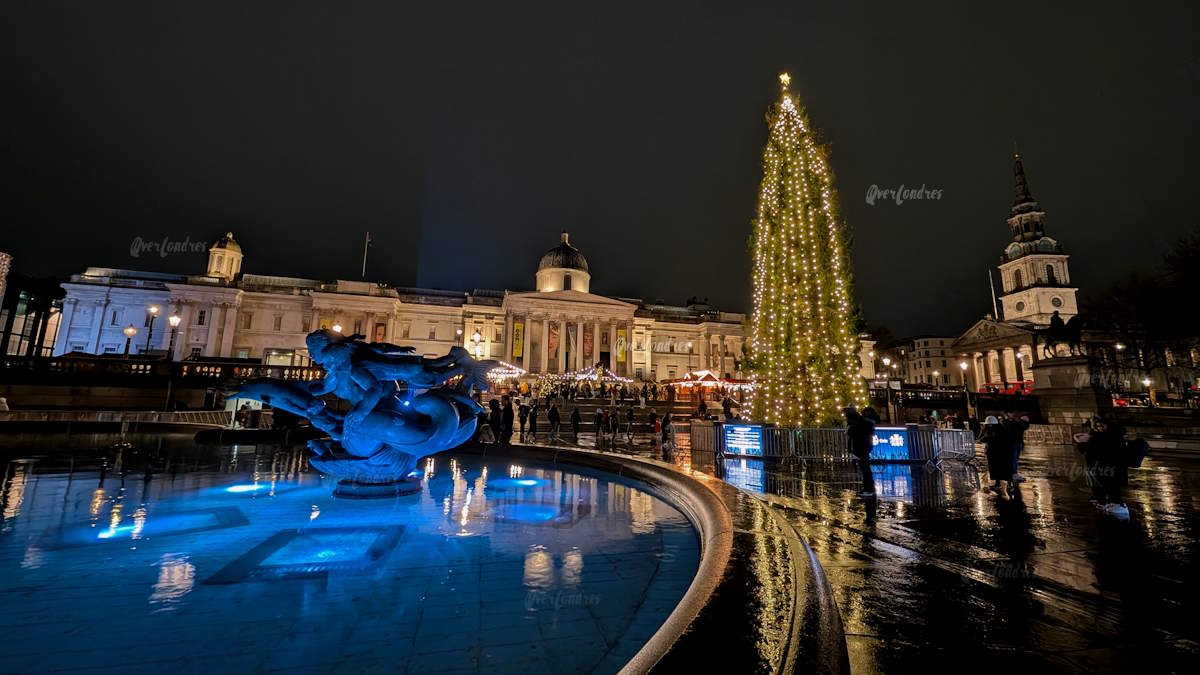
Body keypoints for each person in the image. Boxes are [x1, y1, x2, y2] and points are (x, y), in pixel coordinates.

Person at [979, 416, 1015, 496]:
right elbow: (983, 438)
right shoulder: (989, 430)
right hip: (993, 452)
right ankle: (997, 483)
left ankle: (1009, 483)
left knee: (1004, 468)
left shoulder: (1001, 430)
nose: (989, 426)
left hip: (1001, 452)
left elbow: (1003, 440)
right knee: (995, 468)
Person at [845, 406, 876, 496]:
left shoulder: (860, 424)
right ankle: (868, 488)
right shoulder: (862, 423)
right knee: (864, 468)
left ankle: (869, 489)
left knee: (865, 468)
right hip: (864, 447)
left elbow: (857, 435)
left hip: (863, 448)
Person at [1005, 413, 1030, 482]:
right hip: (1014, 444)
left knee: (1014, 459)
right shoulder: (1015, 424)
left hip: (1016, 443)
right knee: (1014, 459)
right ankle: (1013, 474)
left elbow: (1025, 427)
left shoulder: (1017, 424)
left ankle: (1013, 473)